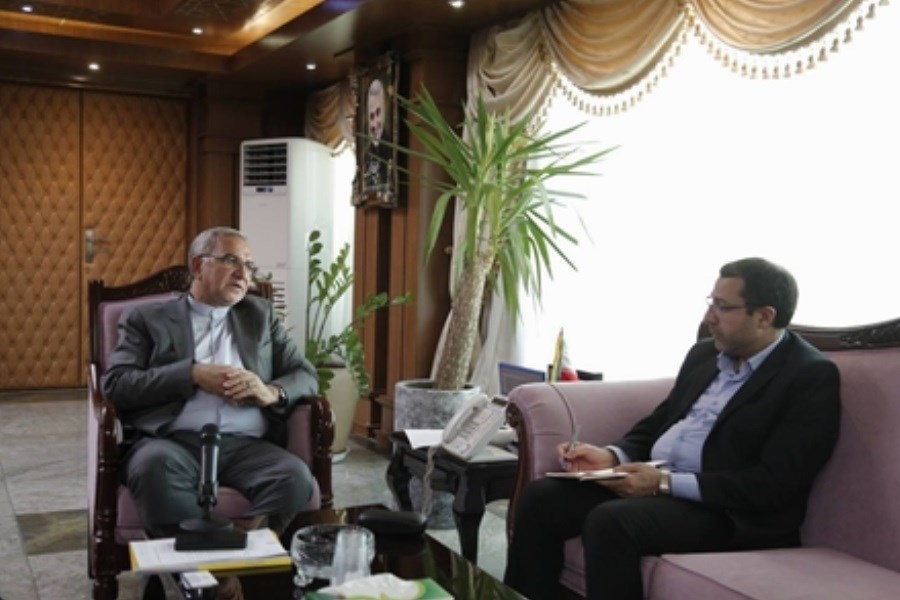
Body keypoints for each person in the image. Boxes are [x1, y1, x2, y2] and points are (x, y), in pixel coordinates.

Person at [504, 257, 841, 600]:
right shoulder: (705, 355)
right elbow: (661, 421)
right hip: (663, 485)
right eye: (711, 303)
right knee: (542, 497)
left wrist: (664, 483)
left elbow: (776, 484)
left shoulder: (808, 376)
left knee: (612, 522)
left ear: (764, 317)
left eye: (723, 307)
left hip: (728, 511)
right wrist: (612, 456)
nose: (709, 317)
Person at [101, 226, 319, 537]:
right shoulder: (147, 318)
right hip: (173, 444)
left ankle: (237, 549)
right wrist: (192, 374)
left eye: (249, 265)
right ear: (198, 266)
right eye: (231, 260)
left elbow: (305, 374)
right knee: (153, 469)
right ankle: (209, 561)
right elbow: (117, 385)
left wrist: (270, 392)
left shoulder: (260, 315)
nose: (243, 273)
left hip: (247, 447)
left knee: (294, 477)